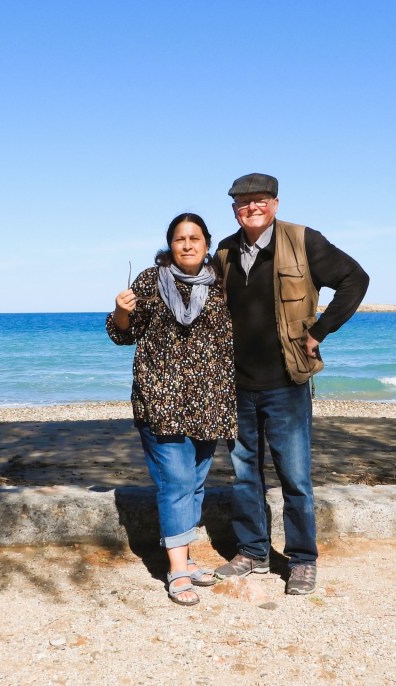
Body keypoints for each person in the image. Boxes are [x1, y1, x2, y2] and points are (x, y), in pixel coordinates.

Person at [212, 173, 369, 595]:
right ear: (233, 210)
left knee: (294, 477)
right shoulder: (224, 251)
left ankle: (302, 559)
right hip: (236, 386)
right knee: (245, 476)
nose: (252, 208)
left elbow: (356, 280)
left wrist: (320, 331)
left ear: (275, 204)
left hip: (286, 382)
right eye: (243, 203)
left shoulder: (303, 240)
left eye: (260, 200)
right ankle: (253, 551)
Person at [106, 212, 237, 606]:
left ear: (207, 243)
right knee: (177, 481)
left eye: (194, 237)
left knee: (195, 482)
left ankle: (186, 556)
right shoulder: (150, 279)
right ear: (170, 244)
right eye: (179, 238)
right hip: (160, 397)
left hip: (210, 399)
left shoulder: (222, 285)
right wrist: (121, 308)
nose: (187, 244)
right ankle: (177, 568)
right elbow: (121, 334)